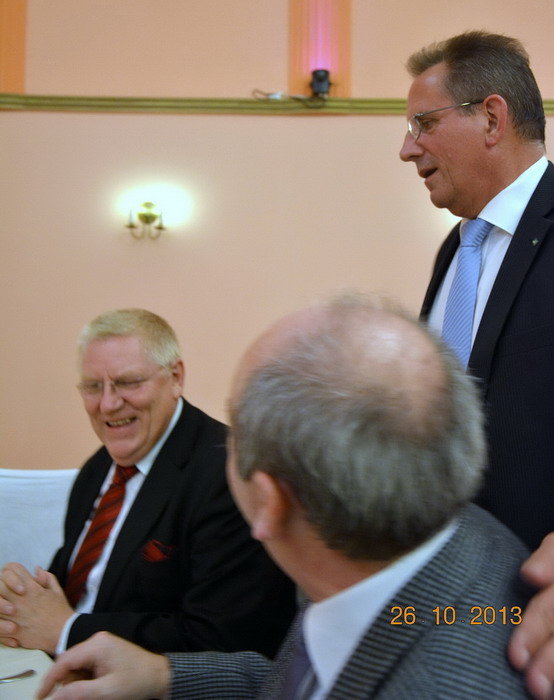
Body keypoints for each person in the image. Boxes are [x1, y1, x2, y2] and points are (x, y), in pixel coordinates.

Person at [37, 294, 532, 700]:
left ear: (270, 502)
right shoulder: (428, 547)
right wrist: (164, 674)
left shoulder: (442, 684)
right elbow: (302, 678)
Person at [399, 32, 554, 697]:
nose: (407, 148)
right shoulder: (453, 252)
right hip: (444, 606)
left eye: (423, 124)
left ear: (492, 118)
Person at [0, 308, 295, 657]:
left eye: (128, 382)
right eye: (93, 386)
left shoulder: (230, 474)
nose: (108, 404)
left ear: (176, 377)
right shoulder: (98, 468)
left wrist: (66, 631)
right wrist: (20, 598)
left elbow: (219, 638)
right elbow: (76, 589)